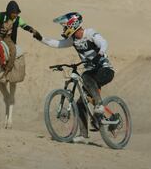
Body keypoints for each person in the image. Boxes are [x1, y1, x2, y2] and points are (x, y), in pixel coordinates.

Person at [33, 12, 114, 143]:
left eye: (65, 26)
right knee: (80, 103)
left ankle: (99, 105)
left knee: (86, 77)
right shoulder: (73, 40)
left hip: (105, 69)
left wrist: (100, 54)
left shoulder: (90, 33)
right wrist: (40, 38)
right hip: (91, 72)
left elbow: (104, 43)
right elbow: (57, 44)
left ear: (73, 24)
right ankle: (83, 135)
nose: (64, 29)